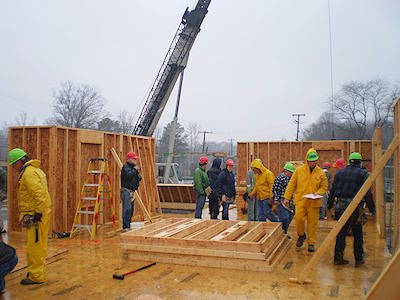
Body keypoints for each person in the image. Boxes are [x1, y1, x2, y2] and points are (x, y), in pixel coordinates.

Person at [8, 148, 52, 285]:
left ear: (20, 161)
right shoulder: (35, 170)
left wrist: (37, 213)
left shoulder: (28, 174)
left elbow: (39, 194)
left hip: (35, 214)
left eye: (14, 164)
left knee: (35, 247)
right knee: (39, 246)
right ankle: (36, 271)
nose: (13, 167)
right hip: (39, 212)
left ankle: (36, 276)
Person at [328, 152, 372, 266]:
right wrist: (372, 209)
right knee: (357, 233)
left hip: (340, 207)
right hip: (355, 208)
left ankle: (338, 258)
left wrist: (329, 206)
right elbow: (367, 194)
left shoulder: (339, 174)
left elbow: (332, 191)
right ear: (360, 162)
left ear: (349, 162)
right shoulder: (363, 174)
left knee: (341, 234)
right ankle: (358, 259)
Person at [284, 148, 328, 252]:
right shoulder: (299, 171)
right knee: (299, 219)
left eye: (314, 161)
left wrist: (319, 192)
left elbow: (324, 186)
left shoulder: (320, 173)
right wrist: (287, 197)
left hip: (314, 202)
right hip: (301, 200)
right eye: (311, 161)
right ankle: (301, 235)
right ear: (307, 160)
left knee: (312, 224)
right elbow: (291, 184)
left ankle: (311, 243)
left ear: (316, 161)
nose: (312, 163)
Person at [120, 152, 142, 231]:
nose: (135, 160)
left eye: (135, 159)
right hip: (126, 191)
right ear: (129, 159)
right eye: (134, 159)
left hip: (132, 191)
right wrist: (134, 171)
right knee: (127, 209)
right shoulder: (125, 167)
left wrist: (138, 176)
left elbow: (136, 178)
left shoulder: (133, 168)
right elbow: (128, 176)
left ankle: (128, 225)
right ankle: (125, 226)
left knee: (131, 209)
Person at [273, 163, 295, 234]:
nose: (292, 173)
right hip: (281, 202)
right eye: (291, 172)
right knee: (284, 218)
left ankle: (284, 232)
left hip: (290, 202)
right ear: (286, 171)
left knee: (290, 217)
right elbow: (275, 190)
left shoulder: (291, 179)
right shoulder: (280, 178)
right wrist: (277, 200)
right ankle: (281, 233)